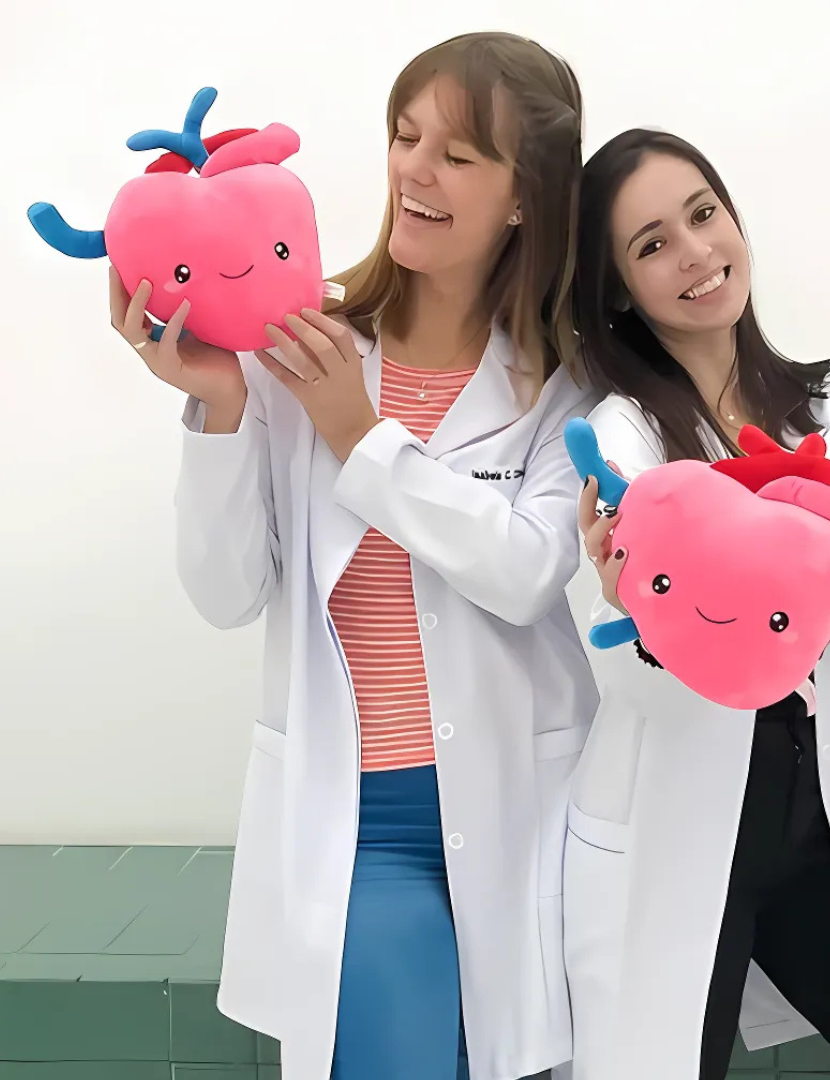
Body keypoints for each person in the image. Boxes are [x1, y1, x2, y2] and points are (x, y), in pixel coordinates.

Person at [109, 33, 598, 1080]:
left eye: (459, 155)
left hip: (529, 810)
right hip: (359, 821)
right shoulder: (304, 344)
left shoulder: (563, 386)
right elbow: (227, 593)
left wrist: (360, 435)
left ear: (527, 195)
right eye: (404, 136)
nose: (414, 170)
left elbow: (522, 575)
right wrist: (222, 401)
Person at [562, 128, 830, 1080]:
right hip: (674, 829)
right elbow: (648, 639)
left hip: (820, 827)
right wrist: (778, 574)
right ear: (620, 288)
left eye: (704, 215)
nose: (697, 254)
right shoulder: (615, 433)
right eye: (653, 244)